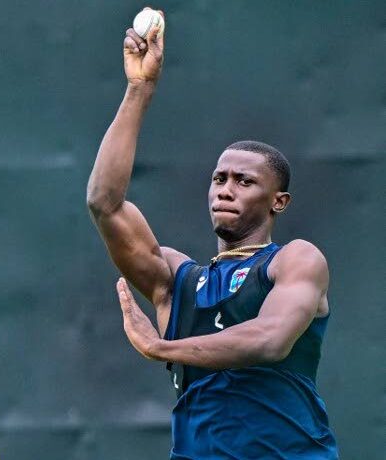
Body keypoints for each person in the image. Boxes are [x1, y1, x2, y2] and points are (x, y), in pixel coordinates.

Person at [86, 11, 338, 459]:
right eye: (219, 178)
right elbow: (105, 204)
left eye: (244, 181)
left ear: (278, 202)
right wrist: (139, 90)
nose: (225, 189)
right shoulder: (175, 281)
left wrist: (162, 346)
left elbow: (269, 340)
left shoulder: (294, 260)